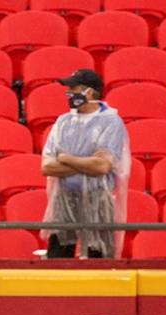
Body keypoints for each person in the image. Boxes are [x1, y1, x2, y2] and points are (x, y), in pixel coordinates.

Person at [40, 68, 130, 259]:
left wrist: (66, 158)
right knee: (58, 255)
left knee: (98, 256)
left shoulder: (111, 122)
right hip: (65, 197)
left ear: (88, 92)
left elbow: (103, 167)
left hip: (97, 198)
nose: (69, 94)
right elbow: (47, 167)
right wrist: (87, 162)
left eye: (73, 89)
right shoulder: (63, 122)